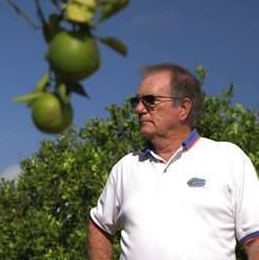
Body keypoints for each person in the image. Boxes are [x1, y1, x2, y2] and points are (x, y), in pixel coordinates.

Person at [87, 64, 259, 259]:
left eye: (149, 100)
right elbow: (98, 225)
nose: (138, 109)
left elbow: (255, 240)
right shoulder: (125, 168)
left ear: (183, 108)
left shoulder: (228, 159)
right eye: (137, 100)